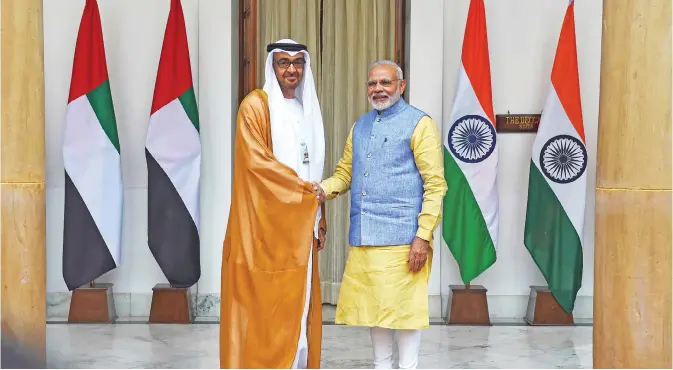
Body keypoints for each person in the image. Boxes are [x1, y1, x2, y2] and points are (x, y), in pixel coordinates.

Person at [312, 60, 447, 369]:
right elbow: (345, 174)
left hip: (404, 240)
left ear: (401, 86)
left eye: (386, 83)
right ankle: (381, 366)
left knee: (405, 312)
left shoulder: (419, 123)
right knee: (377, 312)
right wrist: (321, 189)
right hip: (365, 238)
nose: (378, 89)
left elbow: (436, 185)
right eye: (372, 84)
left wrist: (422, 237)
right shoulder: (361, 125)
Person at [220, 39, 327, 369]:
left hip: (302, 224)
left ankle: (296, 360)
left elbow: (314, 168)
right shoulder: (255, 106)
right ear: (272, 66)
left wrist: (318, 213)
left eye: (298, 63)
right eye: (283, 63)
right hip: (265, 227)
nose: (291, 70)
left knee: (301, 299)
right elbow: (256, 164)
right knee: (267, 302)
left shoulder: (307, 109)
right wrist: (301, 192)